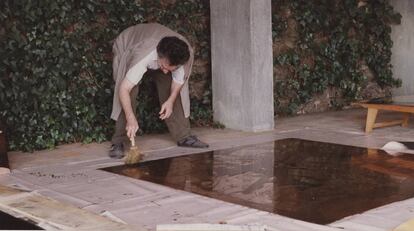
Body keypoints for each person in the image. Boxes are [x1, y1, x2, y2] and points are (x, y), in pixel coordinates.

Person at [109, 23, 209, 158]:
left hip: (162, 55)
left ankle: (183, 136)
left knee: (171, 86)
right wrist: (130, 117)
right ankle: (118, 141)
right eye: (163, 66)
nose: (165, 71)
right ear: (158, 56)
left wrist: (170, 100)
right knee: (128, 91)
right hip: (128, 45)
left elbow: (178, 81)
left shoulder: (183, 56)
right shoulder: (143, 56)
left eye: (171, 69)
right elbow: (124, 89)